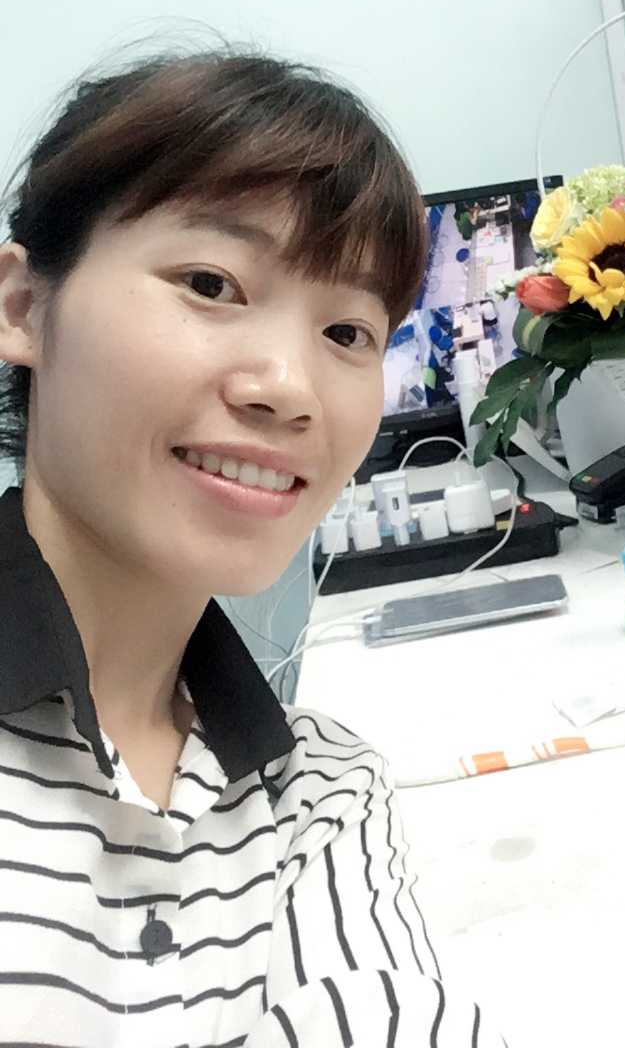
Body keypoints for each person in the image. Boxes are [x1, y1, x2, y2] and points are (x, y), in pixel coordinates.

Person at [0, 51, 504, 1045]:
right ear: (23, 306)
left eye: (348, 333)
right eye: (211, 282)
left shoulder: (319, 793)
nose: (289, 387)